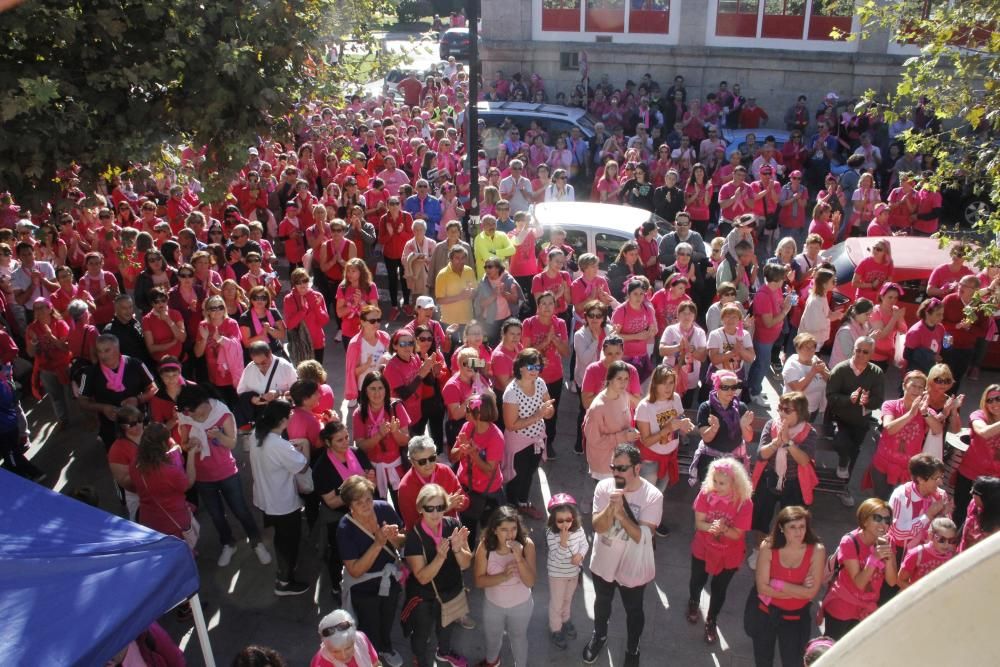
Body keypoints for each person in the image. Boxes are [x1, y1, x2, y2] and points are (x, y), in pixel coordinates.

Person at [177, 384, 271, 567]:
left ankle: (257, 542)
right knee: (216, 515)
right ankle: (228, 544)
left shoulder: (222, 413)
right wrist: (190, 446)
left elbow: (232, 443)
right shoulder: (185, 417)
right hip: (203, 477)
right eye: (187, 413)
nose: (191, 416)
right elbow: (184, 444)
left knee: (241, 510)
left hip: (226, 472)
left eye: (193, 411)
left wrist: (219, 437)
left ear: (204, 404)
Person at [336, 474, 406, 667]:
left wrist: (394, 538)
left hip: (389, 578)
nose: (367, 505)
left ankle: (386, 647)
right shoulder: (345, 528)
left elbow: (402, 540)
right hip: (363, 587)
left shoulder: (383, 508)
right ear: (349, 505)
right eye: (359, 502)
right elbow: (355, 570)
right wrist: (378, 543)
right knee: (369, 626)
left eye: (368, 498)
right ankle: (371, 657)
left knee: (388, 617)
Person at [402, 483, 473, 667]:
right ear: (420, 509)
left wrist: (458, 550)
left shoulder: (454, 525)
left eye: (440, 507)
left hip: (451, 590)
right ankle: (421, 659)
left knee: (446, 627)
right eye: (429, 508)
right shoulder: (413, 538)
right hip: (425, 598)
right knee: (421, 634)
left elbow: (466, 563)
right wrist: (440, 557)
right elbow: (423, 577)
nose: (435, 514)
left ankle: (444, 652)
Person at [746, 506, 825, 667]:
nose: (799, 532)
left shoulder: (817, 550)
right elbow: (762, 589)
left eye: (802, 526)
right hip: (765, 613)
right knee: (763, 660)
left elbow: (810, 594)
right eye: (793, 527)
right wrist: (799, 589)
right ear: (781, 528)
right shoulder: (768, 546)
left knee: (794, 662)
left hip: (795, 618)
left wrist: (778, 584)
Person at [686, 456, 754, 645]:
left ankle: (711, 619)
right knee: (697, 579)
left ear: (735, 482)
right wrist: (713, 528)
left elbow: (737, 535)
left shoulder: (744, 503)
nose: (716, 485)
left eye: (722, 483)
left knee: (719, 588)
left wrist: (723, 528)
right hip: (703, 547)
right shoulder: (706, 493)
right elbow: (699, 524)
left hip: (729, 553)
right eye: (714, 480)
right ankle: (693, 602)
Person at [248, 400, 310, 596]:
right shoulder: (279, 445)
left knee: (280, 538)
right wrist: (303, 448)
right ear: (283, 420)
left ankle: (285, 572)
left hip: (264, 499)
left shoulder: (255, 434)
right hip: (283, 503)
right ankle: (284, 582)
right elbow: (303, 467)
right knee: (288, 542)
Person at [819, 498, 899, 639]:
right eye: (877, 518)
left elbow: (892, 582)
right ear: (865, 519)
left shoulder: (887, 541)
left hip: (866, 608)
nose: (883, 524)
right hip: (842, 605)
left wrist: (889, 556)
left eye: (887, 520)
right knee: (832, 648)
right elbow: (859, 583)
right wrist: (873, 559)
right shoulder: (850, 541)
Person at [473, 504, 537, 667]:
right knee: (492, 637)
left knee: (518, 637)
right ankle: (492, 662)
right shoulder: (485, 546)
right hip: (493, 605)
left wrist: (519, 558)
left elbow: (530, 582)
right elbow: (479, 581)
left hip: (521, 606)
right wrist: (503, 576)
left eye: (513, 529)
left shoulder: (527, 545)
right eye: (504, 529)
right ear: (494, 530)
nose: (510, 535)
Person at [635, 366, 694, 535]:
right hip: (650, 461)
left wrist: (684, 424)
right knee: (645, 496)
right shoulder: (644, 407)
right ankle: (640, 529)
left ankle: (653, 523)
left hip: (669, 456)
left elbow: (680, 418)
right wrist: (667, 428)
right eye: (663, 384)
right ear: (654, 384)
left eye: (671, 383)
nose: (668, 388)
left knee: (658, 494)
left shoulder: (675, 398)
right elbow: (645, 441)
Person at [826, 336, 884, 505]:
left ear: (871, 354)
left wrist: (868, 402)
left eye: (864, 352)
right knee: (842, 443)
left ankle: (844, 487)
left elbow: (878, 399)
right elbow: (830, 395)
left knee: (854, 452)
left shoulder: (876, 373)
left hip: (860, 421)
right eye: (857, 350)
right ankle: (842, 465)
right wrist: (847, 399)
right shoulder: (841, 369)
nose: (860, 354)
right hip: (838, 418)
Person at [867, 372, 942, 499]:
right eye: (913, 386)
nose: (916, 390)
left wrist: (924, 413)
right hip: (883, 465)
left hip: (909, 470)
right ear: (904, 386)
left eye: (920, 387)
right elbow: (889, 428)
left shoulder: (927, 411)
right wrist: (910, 414)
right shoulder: (891, 405)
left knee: (901, 505)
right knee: (880, 501)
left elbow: (937, 429)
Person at [78, 333, 158, 449]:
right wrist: (103, 408)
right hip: (111, 429)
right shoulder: (90, 373)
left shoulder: (135, 364)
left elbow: (153, 388)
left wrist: (138, 399)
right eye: (99, 351)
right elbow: (82, 401)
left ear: (117, 348)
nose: (103, 355)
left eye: (107, 350)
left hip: (138, 424)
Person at [502, 349, 554, 520]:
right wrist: (538, 415)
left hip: (536, 438)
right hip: (518, 442)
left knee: (530, 471)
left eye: (538, 366)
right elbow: (511, 425)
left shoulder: (540, 383)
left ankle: (522, 503)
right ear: (521, 367)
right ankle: (511, 508)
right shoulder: (511, 392)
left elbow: (549, 407)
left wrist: (548, 412)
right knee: (516, 476)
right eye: (530, 366)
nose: (534, 370)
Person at [129, 422, 197, 541]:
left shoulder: (135, 464)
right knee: (182, 549)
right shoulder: (169, 469)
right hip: (174, 520)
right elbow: (188, 483)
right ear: (163, 444)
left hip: (149, 520)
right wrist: (191, 454)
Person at [352, 371, 411, 506]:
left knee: (403, 507)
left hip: (398, 468)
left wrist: (395, 432)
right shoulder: (359, 413)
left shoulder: (395, 407)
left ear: (386, 390)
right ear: (365, 390)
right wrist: (379, 435)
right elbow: (361, 446)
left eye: (380, 388)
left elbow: (405, 440)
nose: (377, 393)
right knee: (380, 510)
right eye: (372, 388)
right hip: (372, 472)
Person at [521, 291, 569, 456]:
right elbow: (525, 352)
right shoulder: (528, 323)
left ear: (555, 307)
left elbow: (566, 352)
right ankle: (530, 442)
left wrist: (555, 340)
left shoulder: (560, 323)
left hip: (555, 376)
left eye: (551, 303)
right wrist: (546, 342)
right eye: (544, 303)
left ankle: (549, 443)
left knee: (550, 412)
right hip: (533, 378)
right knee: (531, 411)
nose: (547, 307)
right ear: (538, 307)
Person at [693, 370, 755, 482]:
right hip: (710, 460)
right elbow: (706, 438)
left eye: (734, 387)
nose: (730, 391)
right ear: (716, 387)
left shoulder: (741, 407)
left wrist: (743, 426)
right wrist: (714, 428)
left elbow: (749, 438)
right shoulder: (706, 407)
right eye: (725, 387)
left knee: (733, 495)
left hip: (735, 460)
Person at [545, 493, 588, 650]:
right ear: (554, 520)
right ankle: (555, 628)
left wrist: (580, 555)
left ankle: (566, 618)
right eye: (560, 521)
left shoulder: (578, 530)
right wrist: (563, 543)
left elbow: (584, 544)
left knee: (568, 598)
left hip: (573, 573)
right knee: (557, 602)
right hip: (557, 574)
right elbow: (556, 558)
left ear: (574, 518)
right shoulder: (551, 534)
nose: (565, 524)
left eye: (568, 520)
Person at [747, 263, 795, 406]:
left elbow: (780, 306)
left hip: (771, 337)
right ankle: (754, 392)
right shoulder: (763, 296)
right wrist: (785, 311)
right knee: (762, 364)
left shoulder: (776, 290)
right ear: (778, 280)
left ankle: (753, 387)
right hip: (763, 338)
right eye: (783, 278)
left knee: (761, 363)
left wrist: (787, 301)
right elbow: (769, 323)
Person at [397, 435, 467, 532]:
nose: (428, 464)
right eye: (422, 461)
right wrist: (443, 508)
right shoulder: (405, 487)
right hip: (428, 539)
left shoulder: (445, 470)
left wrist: (460, 502)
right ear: (412, 461)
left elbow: (465, 501)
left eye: (432, 458)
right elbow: (412, 526)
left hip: (452, 530)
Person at [953, 385, 1000, 527]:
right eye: (989, 400)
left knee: (991, 518)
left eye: (998, 399)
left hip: (995, 479)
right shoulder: (978, 415)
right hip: (970, 475)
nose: (994, 403)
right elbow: (984, 432)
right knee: (961, 514)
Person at [24, 297, 72, 425]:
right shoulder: (31, 329)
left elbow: (66, 348)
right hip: (46, 369)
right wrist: (34, 342)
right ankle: (62, 420)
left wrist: (51, 336)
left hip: (64, 365)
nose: (38, 311)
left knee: (71, 395)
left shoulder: (60, 324)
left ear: (49, 308)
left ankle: (80, 419)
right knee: (55, 396)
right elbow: (30, 353)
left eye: (41, 308)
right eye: (35, 309)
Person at [941, 274, 990, 392]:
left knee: (956, 378)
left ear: (975, 291)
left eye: (964, 285)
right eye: (960, 283)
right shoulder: (949, 300)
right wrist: (955, 326)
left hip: (966, 348)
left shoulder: (981, 307)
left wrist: (969, 328)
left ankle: (951, 404)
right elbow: (938, 321)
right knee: (942, 376)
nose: (959, 287)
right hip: (947, 344)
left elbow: (984, 332)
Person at [610, 279, 657, 384]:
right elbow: (613, 336)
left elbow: (652, 328)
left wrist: (651, 332)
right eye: (635, 293)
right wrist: (637, 336)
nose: (639, 297)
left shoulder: (647, 309)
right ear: (629, 294)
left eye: (641, 294)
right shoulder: (621, 311)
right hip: (624, 356)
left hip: (642, 355)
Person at [344, 304, 390, 407]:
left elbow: (391, 354)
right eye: (373, 321)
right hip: (365, 389)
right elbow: (352, 372)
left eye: (379, 320)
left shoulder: (384, 337)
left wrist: (388, 358)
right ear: (363, 322)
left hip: (383, 386)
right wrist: (367, 365)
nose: (377, 324)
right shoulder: (355, 344)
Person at [897, 516, 958, 589]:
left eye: (951, 540)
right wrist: (918, 594)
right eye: (941, 539)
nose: (946, 544)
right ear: (931, 535)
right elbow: (901, 580)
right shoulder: (916, 554)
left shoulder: (953, 556)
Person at [474, 258, 523, 344]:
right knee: (492, 345)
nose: (486, 269)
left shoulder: (508, 280)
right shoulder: (483, 282)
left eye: (489, 267)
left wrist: (504, 293)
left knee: (508, 344)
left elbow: (515, 300)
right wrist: (494, 295)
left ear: (498, 268)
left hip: (506, 319)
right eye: (485, 267)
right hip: (489, 321)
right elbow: (481, 304)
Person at [310, 608, 380, 667]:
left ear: (354, 640)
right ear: (326, 646)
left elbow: (376, 664)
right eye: (335, 651)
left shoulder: (360, 639)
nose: (344, 656)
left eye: (348, 647)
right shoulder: (319, 664)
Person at [798, 268, 843, 351]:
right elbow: (815, 326)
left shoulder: (822, 296)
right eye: (833, 281)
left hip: (815, 340)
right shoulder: (816, 302)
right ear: (824, 284)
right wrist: (833, 317)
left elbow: (826, 313)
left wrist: (834, 314)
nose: (835, 283)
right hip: (810, 343)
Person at [868, 283, 907, 371]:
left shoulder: (895, 309)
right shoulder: (875, 311)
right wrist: (895, 318)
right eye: (890, 297)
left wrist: (900, 318)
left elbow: (903, 330)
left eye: (896, 298)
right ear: (882, 297)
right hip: (873, 355)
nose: (893, 300)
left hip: (887, 355)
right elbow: (881, 335)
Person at [239, 286, 286, 357]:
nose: (259, 300)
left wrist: (269, 329)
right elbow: (246, 344)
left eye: (263, 298)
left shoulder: (274, 312)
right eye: (256, 298)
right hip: (256, 354)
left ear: (267, 300)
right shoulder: (245, 317)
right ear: (251, 300)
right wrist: (262, 335)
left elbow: (282, 335)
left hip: (276, 351)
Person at [903, 297, 945, 375]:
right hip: (916, 371)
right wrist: (930, 356)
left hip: (931, 369)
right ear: (927, 313)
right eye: (938, 314)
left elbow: (942, 347)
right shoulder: (916, 331)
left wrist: (948, 344)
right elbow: (907, 355)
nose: (941, 317)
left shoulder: (940, 327)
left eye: (942, 314)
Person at [828, 298, 873, 369]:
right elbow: (850, 356)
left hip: (853, 369)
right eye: (867, 314)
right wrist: (869, 340)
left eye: (870, 314)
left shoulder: (864, 326)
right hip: (839, 371)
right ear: (857, 313)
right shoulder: (846, 331)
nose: (869, 317)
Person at [959, 476, 1000, 552]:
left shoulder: (997, 523)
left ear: (986, 497)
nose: (970, 492)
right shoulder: (973, 504)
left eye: (974, 492)